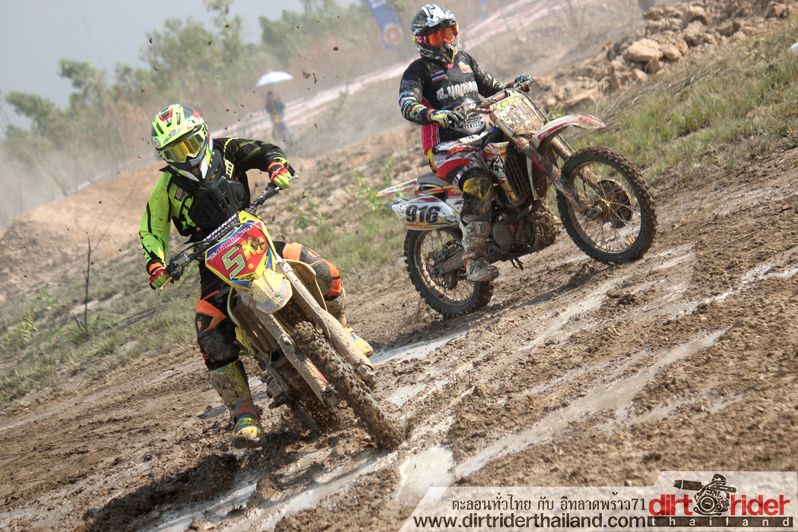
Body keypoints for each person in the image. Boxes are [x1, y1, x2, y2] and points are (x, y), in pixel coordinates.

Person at [139, 103, 370, 448]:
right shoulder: (165, 189)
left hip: (257, 242)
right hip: (213, 265)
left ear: (203, 134)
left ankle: (345, 330)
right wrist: (156, 264)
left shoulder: (228, 151)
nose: (185, 156)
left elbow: (264, 151)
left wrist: (276, 165)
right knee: (209, 331)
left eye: (189, 144)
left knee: (323, 270)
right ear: (164, 156)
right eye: (174, 151)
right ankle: (244, 414)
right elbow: (151, 231)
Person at [398, 4, 531, 282]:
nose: (445, 41)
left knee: (518, 151)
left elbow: (493, 87)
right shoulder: (417, 71)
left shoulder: (465, 60)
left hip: (480, 137)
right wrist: (433, 114)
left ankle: (522, 218)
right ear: (422, 41)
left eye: (449, 33)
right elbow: (407, 104)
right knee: (478, 182)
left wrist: (513, 86)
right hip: (446, 149)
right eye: (437, 37)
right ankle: (474, 260)